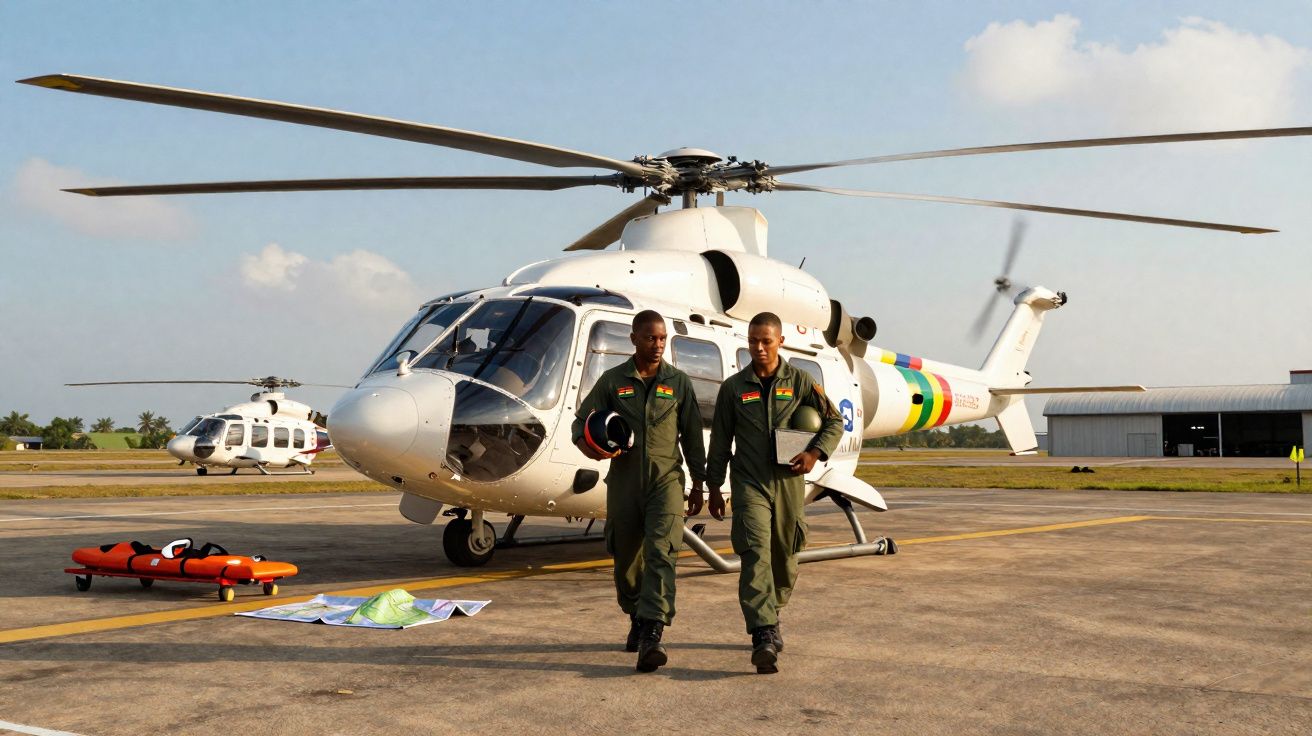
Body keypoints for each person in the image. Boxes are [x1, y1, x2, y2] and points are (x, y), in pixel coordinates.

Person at [693, 311, 843, 674]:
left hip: (789, 483)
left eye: (766, 341)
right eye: (753, 341)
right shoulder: (733, 387)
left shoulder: (801, 380)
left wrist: (814, 453)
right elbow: (721, 442)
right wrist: (714, 486)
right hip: (749, 482)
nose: (758, 349)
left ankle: (772, 613)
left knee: (785, 555)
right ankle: (761, 633)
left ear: (779, 342)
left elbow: (834, 420)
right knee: (755, 551)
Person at [572, 309, 706, 673]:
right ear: (633, 339)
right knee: (626, 558)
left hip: (666, 481)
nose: (658, 344)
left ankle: (652, 632)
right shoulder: (613, 382)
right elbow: (581, 423)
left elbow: (693, 436)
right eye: (650, 338)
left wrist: (699, 484)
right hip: (625, 482)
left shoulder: (678, 383)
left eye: (663, 338)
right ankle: (635, 614)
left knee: (663, 554)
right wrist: (592, 447)